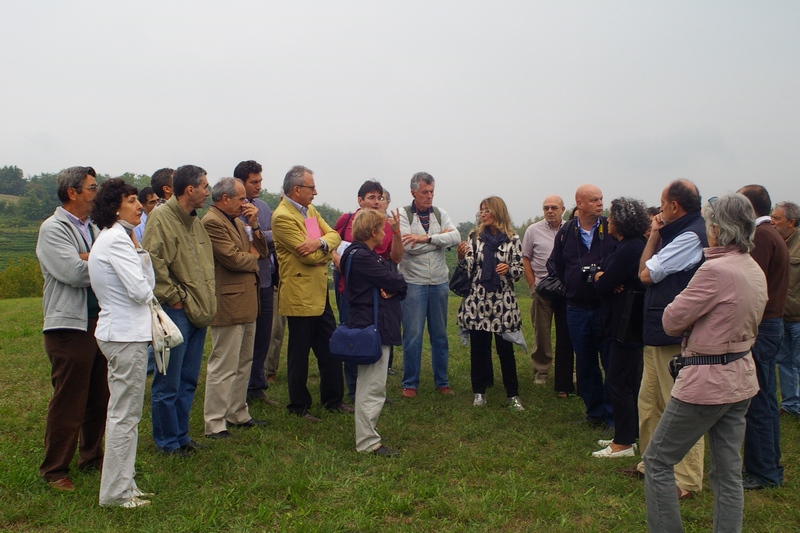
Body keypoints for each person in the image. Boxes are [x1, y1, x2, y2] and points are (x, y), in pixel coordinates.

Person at [644, 193, 767, 533]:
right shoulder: (751, 267)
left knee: (656, 461)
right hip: (741, 377)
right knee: (728, 473)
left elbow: (671, 320)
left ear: (716, 229)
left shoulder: (714, 271)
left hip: (706, 382)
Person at [623, 180, 707, 499]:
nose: (658, 210)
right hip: (658, 329)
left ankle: (685, 480)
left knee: (680, 405)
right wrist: (657, 234)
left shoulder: (690, 235)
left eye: (661, 204)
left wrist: (656, 236)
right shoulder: (677, 231)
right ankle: (651, 464)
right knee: (650, 400)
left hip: (675, 333)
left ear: (674, 205)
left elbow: (646, 274)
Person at [36, 166, 109, 491]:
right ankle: (54, 470)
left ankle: (92, 457)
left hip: (98, 323)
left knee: (99, 396)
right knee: (70, 399)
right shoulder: (53, 229)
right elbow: (73, 273)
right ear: (73, 193)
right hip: (68, 326)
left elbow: (109, 262)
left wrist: (89, 257)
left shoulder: (93, 227)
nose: (98, 193)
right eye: (92, 188)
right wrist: (99, 261)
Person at [88, 178, 155, 508]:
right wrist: (141, 255)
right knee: (124, 416)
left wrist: (139, 252)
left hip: (123, 332)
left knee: (126, 414)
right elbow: (142, 290)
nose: (139, 205)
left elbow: (144, 284)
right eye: (131, 200)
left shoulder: (115, 239)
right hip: (125, 334)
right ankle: (116, 493)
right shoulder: (116, 241)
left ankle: (124, 485)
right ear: (115, 207)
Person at [142, 164, 216, 456]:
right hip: (177, 313)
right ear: (190, 189)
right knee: (168, 381)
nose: (208, 192)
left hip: (198, 312)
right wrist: (174, 298)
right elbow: (152, 262)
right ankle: (167, 441)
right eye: (205, 187)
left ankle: (182, 435)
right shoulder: (161, 218)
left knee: (188, 379)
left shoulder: (194, 220)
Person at [272, 165, 350, 421]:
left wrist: (320, 243)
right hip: (300, 295)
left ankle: (333, 399)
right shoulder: (283, 216)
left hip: (319, 294)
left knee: (329, 349)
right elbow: (307, 258)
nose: (315, 192)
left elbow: (332, 236)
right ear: (296, 189)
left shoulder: (309, 211)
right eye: (311, 187)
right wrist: (323, 250)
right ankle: (298, 406)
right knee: (299, 352)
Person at [201, 178, 269, 439]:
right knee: (224, 364)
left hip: (247, 301)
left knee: (244, 361)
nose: (245, 204)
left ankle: (238, 412)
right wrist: (250, 254)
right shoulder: (211, 222)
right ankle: (215, 422)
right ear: (225, 198)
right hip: (228, 302)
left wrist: (255, 225)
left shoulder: (239, 222)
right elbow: (234, 259)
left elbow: (261, 252)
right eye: (241, 199)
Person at [340, 209, 407, 456]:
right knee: (372, 385)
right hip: (372, 326)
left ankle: (367, 435)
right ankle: (367, 441)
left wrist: (390, 286)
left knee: (369, 382)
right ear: (373, 232)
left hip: (369, 323)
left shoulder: (355, 253)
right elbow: (396, 281)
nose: (384, 233)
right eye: (382, 228)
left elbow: (391, 282)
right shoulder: (363, 257)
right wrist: (391, 285)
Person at [548, 184, 615, 427]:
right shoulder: (566, 232)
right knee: (585, 363)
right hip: (576, 307)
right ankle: (594, 413)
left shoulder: (610, 228)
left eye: (601, 199)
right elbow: (556, 265)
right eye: (595, 200)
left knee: (610, 362)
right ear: (580, 203)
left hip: (605, 306)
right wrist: (570, 283)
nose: (600, 203)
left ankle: (613, 415)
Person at [332, 180, 403, 402]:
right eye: (370, 197)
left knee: (376, 338)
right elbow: (331, 243)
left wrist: (397, 232)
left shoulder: (385, 226)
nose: (375, 201)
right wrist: (342, 264)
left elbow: (396, 258)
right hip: (351, 286)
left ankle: (373, 389)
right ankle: (354, 389)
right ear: (360, 200)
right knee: (353, 336)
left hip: (379, 288)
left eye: (379, 197)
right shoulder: (347, 220)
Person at [738, 185, 789, 490]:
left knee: (758, 401)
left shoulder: (761, 238)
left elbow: (749, 287)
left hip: (763, 325)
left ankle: (763, 470)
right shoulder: (773, 234)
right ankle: (767, 467)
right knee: (765, 399)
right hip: (771, 323)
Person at [590, 198, 649, 458]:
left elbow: (603, 283)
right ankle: (628, 433)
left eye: (611, 217)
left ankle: (624, 442)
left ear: (622, 221)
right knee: (627, 380)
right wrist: (600, 275)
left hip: (626, 325)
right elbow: (603, 276)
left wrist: (600, 277)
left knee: (619, 381)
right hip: (621, 321)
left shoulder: (630, 248)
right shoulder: (625, 245)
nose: (607, 221)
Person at [456, 196, 525, 410]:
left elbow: (519, 269)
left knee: (505, 351)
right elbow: (468, 267)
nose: (483, 214)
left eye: (487, 210)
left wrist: (509, 269)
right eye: (481, 211)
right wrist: (460, 258)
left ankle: (512, 395)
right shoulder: (474, 237)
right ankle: (479, 393)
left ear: (498, 212)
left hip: (503, 303)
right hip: (478, 301)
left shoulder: (513, 239)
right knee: (479, 349)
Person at [398, 172, 461, 397]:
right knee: (413, 335)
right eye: (425, 191)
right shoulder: (403, 215)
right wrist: (439, 242)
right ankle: (410, 383)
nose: (429, 196)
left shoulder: (440, 213)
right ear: (413, 192)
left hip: (439, 283)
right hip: (413, 282)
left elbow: (456, 237)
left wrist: (427, 239)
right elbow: (407, 247)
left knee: (440, 334)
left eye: (432, 191)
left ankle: (442, 381)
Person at [233, 160, 279, 406]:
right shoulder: (230, 208)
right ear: (240, 182)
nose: (259, 186)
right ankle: (238, 386)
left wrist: (258, 233)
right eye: (254, 182)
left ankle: (257, 385)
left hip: (265, 278)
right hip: (244, 281)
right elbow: (242, 242)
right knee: (243, 338)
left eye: (260, 181)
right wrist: (258, 236)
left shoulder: (262, 206)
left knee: (264, 334)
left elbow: (274, 235)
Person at [522, 194, 574, 395]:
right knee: (541, 333)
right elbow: (525, 258)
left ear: (563, 210)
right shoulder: (533, 230)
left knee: (568, 334)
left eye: (554, 207)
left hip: (566, 289)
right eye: (546, 208)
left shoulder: (571, 229)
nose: (550, 211)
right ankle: (541, 372)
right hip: (542, 290)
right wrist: (532, 285)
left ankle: (570, 371)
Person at [772, 202, 800, 417]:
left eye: (777, 218)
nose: (773, 221)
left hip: (798, 317)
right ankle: (790, 404)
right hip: (782, 315)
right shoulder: (775, 242)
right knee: (784, 361)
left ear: (791, 222)